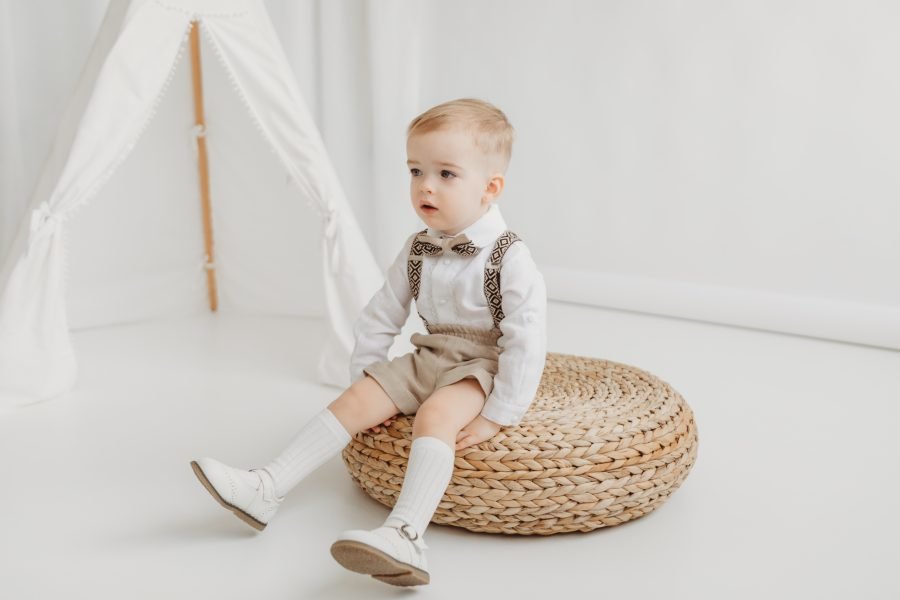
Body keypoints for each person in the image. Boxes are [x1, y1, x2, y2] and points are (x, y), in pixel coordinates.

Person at [190, 97, 547, 587]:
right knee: (355, 398)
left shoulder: (510, 257)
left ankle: (406, 534)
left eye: (446, 174)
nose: (425, 185)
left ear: (490, 188)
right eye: (416, 170)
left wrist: (498, 413)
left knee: (435, 417)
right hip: (428, 353)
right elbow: (383, 312)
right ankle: (267, 485)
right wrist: (370, 375)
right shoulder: (417, 247)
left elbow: (526, 339)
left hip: (480, 364)